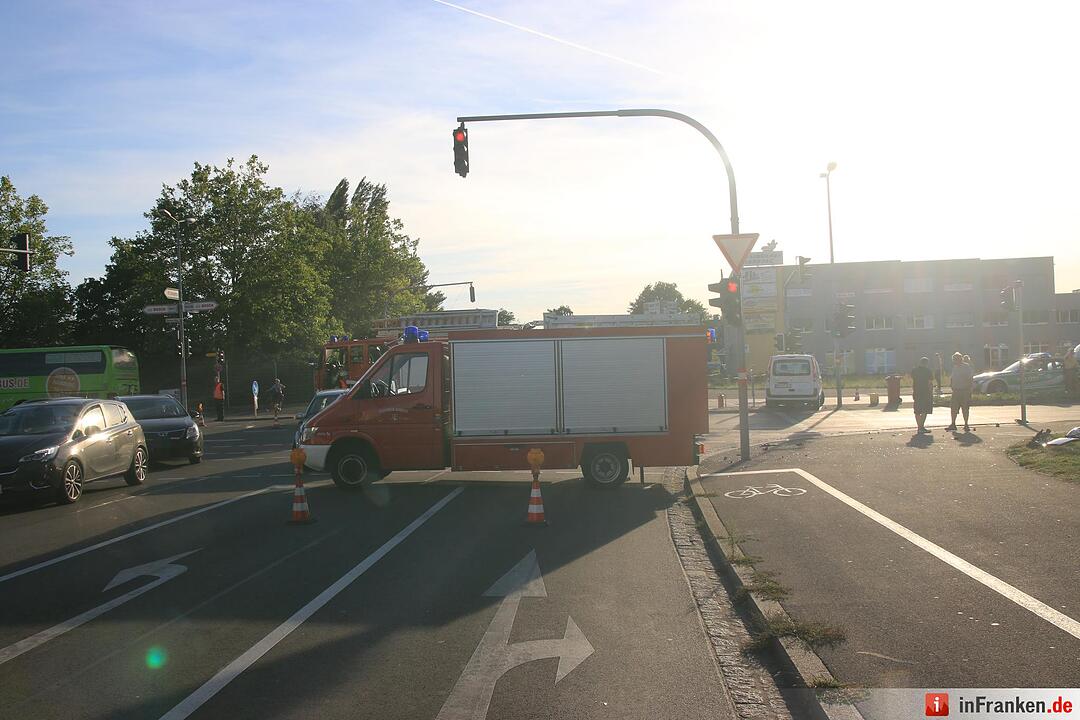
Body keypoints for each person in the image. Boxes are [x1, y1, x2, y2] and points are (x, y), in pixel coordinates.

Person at [946, 352, 974, 432]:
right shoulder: (955, 367)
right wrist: (951, 384)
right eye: (954, 359)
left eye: (956, 359)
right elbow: (952, 377)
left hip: (964, 390)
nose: (955, 361)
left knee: (965, 408)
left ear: (960, 359)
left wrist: (969, 389)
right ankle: (953, 424)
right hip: (956, 391)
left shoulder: (966, 367)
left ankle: (966, 424)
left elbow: (970, 378)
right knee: (953, 408)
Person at [911, 357, 934, 433]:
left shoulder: (914, 370)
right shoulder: (928, 371)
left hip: (917, 392)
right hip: (925, 392)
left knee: (917, 411)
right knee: (924, 410)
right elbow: (930, 383)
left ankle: (919, 427)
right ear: (926, 363)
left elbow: (913, 381)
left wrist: (913, 391)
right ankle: (921, 426)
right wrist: (931, 392)